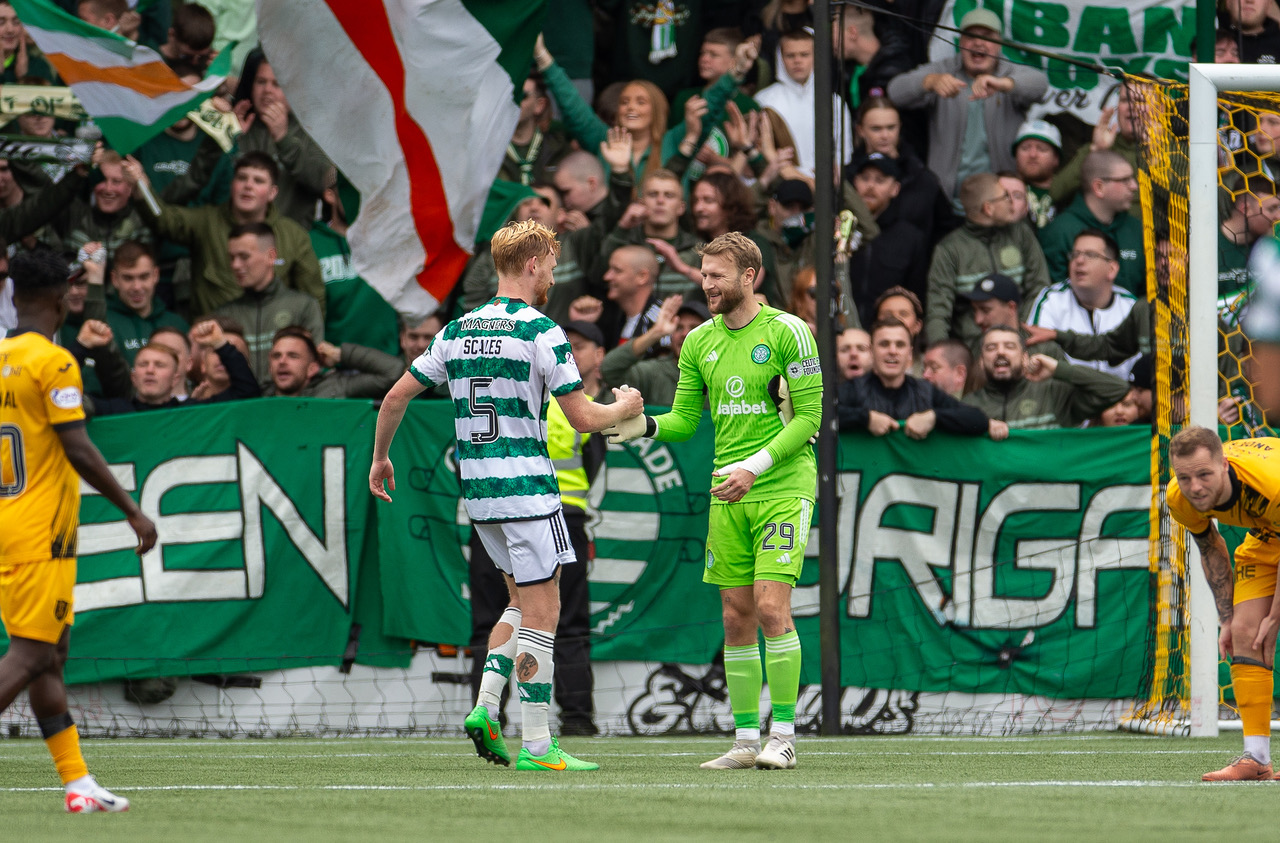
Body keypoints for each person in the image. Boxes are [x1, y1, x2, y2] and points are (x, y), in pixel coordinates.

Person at [370, 220, 645, 772]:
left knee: (517, 602)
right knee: (545, 612)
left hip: (480, 494)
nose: (553, 277)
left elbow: (396, 397)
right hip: (528, 490)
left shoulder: (456, 331)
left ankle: (484, 706)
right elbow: (582, 417)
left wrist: (380, 458)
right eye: (551, 266)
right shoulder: (542, 331)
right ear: (531, 264)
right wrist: (626, 408)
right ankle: (539, 744)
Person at [604, 232, 823, 771]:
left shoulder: (791, 332)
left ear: (749, 276)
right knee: (734, 615)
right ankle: (746, 741)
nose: (706, 285)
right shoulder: (699, 341)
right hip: (729, 491)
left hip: (782, 486)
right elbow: (685, 421)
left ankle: (784, 735)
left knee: (771, 607)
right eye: (703, 275)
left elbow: (811, 419)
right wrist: (641, 426)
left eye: (716, 275)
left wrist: (753, 468)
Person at [0, 249, 157, 812]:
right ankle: (78, 782)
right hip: (42, 532)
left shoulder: (2, 357)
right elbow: (78, 447)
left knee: (51, 654)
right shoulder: (54, 361)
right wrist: (133, 511)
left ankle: (78, 782)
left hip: (9, 524)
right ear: (61, 295)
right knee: (29, 654)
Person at [467, 318, 608, 739]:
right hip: (552, 511)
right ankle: (557, 728)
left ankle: (488, 709)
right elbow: (593, 456)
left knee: (503, 610)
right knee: (555, 616)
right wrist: (627, 408)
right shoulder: (574, 404)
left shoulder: (501, 393)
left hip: (490, 509)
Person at [1166, 426, 1280, 780]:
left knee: (1267, 625)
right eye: (1185, 477)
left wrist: (1275, 615)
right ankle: (1257, 760)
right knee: (1245, 632)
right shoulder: (1179, 498)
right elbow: (1211, 547)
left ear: (1224, 466)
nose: (1195, 487)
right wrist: (1227, 618)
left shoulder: (1271, 484)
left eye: (1204, 475)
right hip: (1269, 534)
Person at [124, 151, 324, 318]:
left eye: (258, 180)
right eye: (242, 178)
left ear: (272, 193)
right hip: (214, 338)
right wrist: (142, 187)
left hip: (273, 340)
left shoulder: (293, 235)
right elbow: (163, 220)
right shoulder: (206, 221)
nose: (248, 186)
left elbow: (313, 297)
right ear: (232, 184)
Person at [886, 8, 1048, 204]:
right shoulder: (945, 70)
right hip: (946, 197)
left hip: (1000, 201)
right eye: (970, 36)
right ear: (960, 43)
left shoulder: (1009, 72)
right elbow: (894, 91)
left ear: (999, 44)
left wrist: (1005, 84)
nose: (978, 43)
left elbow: (1040, 84)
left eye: (987, 36)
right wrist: (929, 82)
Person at [925, 172, 1051, 347]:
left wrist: (1020, 336)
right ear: (988, 208)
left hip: (1024, 341)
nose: (1011, 202)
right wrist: (943, 354)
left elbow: (1039, 290)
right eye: (1005, 196)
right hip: (973, 347)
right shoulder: (949, 250)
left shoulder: (1021, 234)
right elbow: (938, 311)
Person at [212, 222, 324, 383]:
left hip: (287, 397)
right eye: (232, 258)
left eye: (244, 257)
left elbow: (315, 363)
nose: (235, 265)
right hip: (242, 398)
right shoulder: (225, 314)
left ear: (271, 256)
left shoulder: (303, 306)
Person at [838, 317, 988, 437]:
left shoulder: (925, 391)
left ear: (909, 353)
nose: (892, 351)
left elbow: (977, 419)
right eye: (884, 344)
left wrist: (934, 417)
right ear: (871, 351)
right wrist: (865, 418)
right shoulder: (853, 389)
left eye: (900, 345)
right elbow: (826, 415)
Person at [963, 325, 1129, 433]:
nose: (1000, 352)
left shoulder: (1053, 393)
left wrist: (1058, 369)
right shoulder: (968, 406)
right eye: (991, 348)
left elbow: (1117, 389)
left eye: (1009, 346)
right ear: (981, 361)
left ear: (1025, 357)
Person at [1028, 230, 1140, 380]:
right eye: (1074, 254)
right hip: (1066, 390)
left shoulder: (1131, 306)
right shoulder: (1051, 299)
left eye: (1091, 255)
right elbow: (1040, 358)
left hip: (1125, 391)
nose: (1079, 260)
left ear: (1112, 269)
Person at [1037, 151, 1145, 296]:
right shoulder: (1060, 232)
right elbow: (1054, 295)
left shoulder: (1136, 228)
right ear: (1099, 187)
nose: (1134, 186)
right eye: (1125, 180)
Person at [601, 297, 709, 407]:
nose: (685, 334)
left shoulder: (718, 370)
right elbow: (610, 369)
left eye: (695, 328)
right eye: (679, 328)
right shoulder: (654, 372)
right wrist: (657, 332)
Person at [103, 240, 189, 365]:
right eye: (128, 278)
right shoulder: (103, 323)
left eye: (144, 277)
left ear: (156, 275)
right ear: (114, 279)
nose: (137, 287)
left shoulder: (176, 324)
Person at [264, 326, 403, 399]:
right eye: (276, 356)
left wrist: (339, 354)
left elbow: (393, 371)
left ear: (312, 368)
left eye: (293, 356)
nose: (282, 361)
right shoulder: (259, 396)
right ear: (270, 366)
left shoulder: (336, 388)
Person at [1012, 119, 1063, 229]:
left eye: (1042, 149)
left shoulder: (1069, 196)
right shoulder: (1002, 191)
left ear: (1056, 158)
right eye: (1025, 148)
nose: (1033, 154)